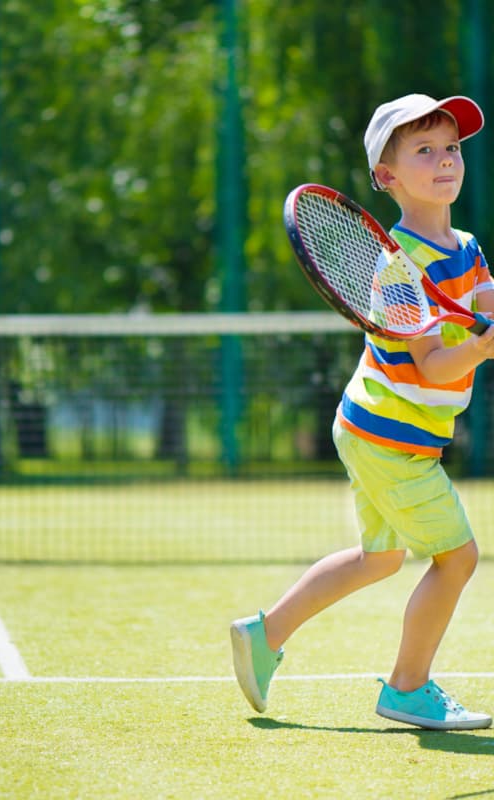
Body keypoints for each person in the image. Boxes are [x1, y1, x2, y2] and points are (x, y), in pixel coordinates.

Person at [231, 93, 494, 730]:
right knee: (457, 558)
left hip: (385, 428)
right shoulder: (396, 272)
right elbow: (433, 364)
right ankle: (408, 687)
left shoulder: (467, 245)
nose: (444, 161)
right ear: (387, 177)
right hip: (387, 435)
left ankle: (263, 635)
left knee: (378, 558)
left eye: (451, 148)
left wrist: (485, 331)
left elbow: (485, 300)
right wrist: (482, 349)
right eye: (424, 151)